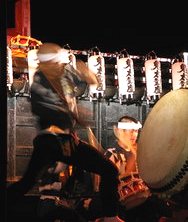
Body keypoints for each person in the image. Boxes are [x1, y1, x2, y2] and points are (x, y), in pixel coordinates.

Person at [7, 42, 124, 222]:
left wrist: (87, 74)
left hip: (67, 140)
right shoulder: (40, 80)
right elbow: (47, 110)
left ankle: (110, 216)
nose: (60, 65)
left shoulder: (63, 74)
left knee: (109, 170)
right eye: (55, 62)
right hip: (51, 140)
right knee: (27, 182)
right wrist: (68, 118)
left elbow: (89, 80)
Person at [78, 115, 172, 222]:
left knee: (162, 207)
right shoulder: (112, 153)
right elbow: (113, 184)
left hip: (141, 198)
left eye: (136, 131)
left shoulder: (141, 153)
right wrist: (132, 157)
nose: (134, 134)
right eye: (130, 130)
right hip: (119, 200)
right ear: (119, 132)